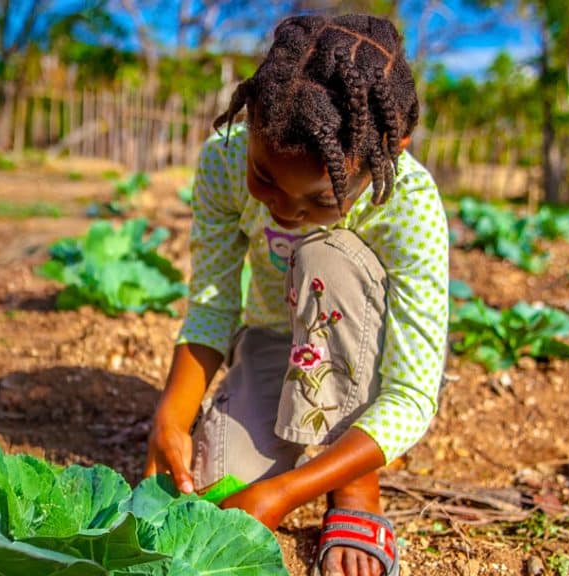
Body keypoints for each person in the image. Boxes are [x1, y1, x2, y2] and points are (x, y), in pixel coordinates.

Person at [144, 14, 449, 576]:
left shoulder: (410, 204)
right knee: (214, 487)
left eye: (319, 199)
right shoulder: (225, 159)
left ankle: (356, 481)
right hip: (272, 341)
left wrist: (286, 492)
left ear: (392, 152)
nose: (283, 209)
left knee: (323, 256)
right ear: (252, 120)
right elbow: (213, 303)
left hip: (364, 361)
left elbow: (411, 393)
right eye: (265, 178)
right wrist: (172, 416)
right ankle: (299, 442)